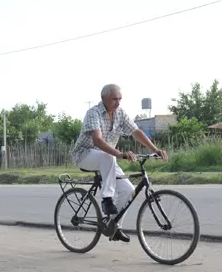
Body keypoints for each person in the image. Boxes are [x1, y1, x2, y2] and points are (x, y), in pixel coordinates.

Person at [71, 84, 169, 242]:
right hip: (85, 155)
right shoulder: (93, 113)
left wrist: (155, 149)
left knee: (129, 190)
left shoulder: (120, 114)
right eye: (114, 99)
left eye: (120, 99)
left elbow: (136, 132)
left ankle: (115, 227)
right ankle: (106, 200)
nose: (118, 102)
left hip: (106, 158)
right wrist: (120, 154)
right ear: (103, 99)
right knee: (108, 157)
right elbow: (97, 140)